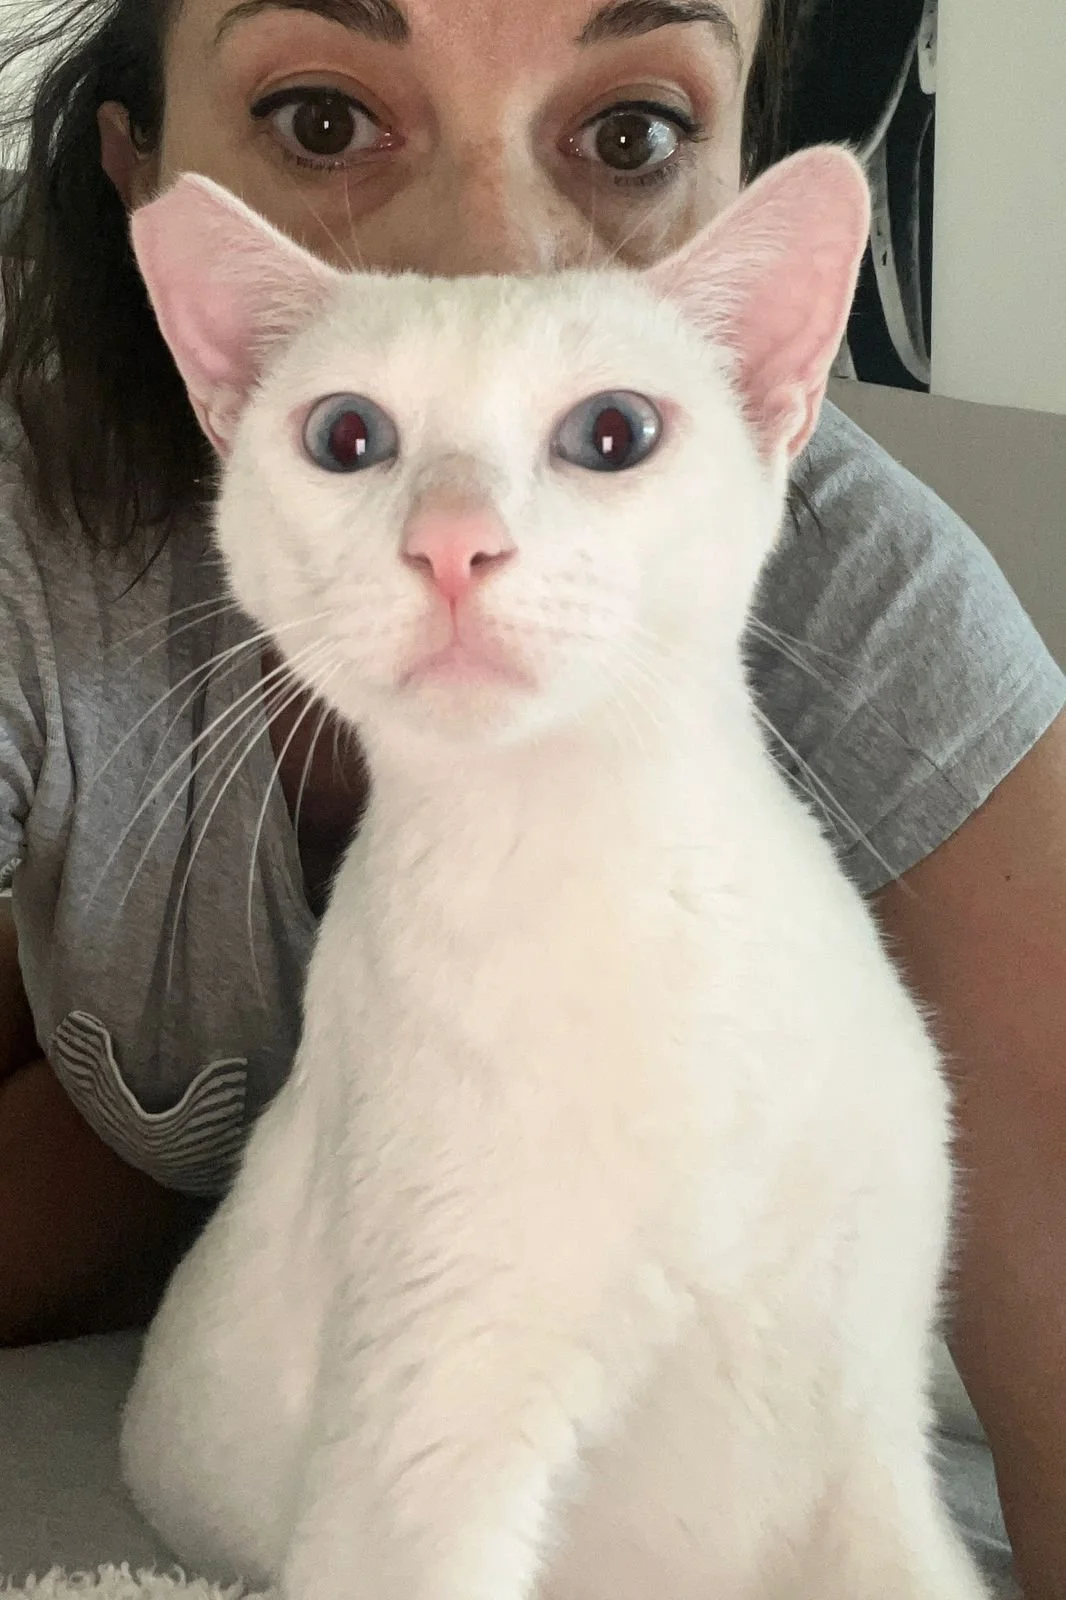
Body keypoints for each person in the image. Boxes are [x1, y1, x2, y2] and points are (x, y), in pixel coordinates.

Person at [0, 0, 1063, 1592]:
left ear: (768, 368)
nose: (484, 259)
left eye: (632, 133)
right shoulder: (42, 534)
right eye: (320, 118)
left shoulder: (878, 607)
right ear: (152, 198)